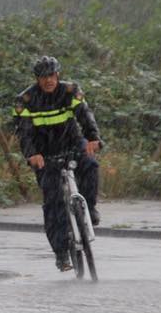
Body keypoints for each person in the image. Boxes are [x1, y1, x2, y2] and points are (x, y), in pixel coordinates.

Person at [14, 56, 102, 271]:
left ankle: (89, 208)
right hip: (44, 154)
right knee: (53, 202)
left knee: (90, 165)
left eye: (52, 76)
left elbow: (85, 115)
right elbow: (23, 133)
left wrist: (93, 138)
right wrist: (31, 154)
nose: (48, 81)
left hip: (72, 143)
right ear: (37, 79)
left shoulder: (70, 91)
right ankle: (61, 253)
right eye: (43, 77)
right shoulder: (25, 100)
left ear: (58, 75)